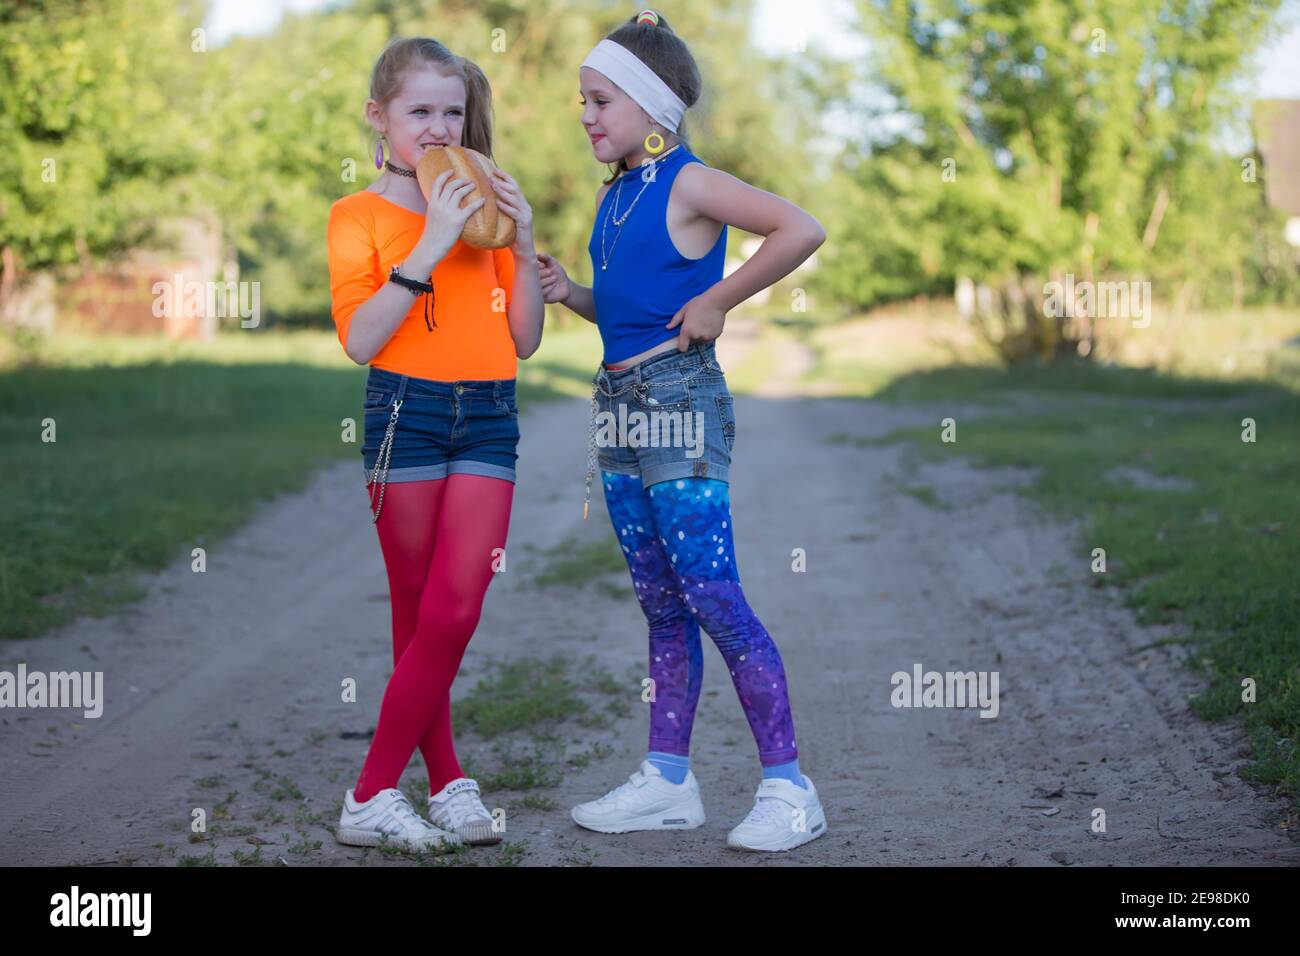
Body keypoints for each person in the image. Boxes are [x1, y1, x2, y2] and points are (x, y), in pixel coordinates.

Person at [537, 9, 829, 852]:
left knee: (713, 596)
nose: (586, 115)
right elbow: (629, 313)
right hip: (619, 404)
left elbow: (800, 227)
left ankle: (789, 786)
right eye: (582, 101)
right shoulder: (616, 195)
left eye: (600, 100)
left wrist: (720, 299)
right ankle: (668, 782)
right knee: (662, 606)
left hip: (679, 402)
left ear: (651, 105)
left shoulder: (690, 181)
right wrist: (571, 294)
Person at [326, 36, 543, 853]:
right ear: (379, 118)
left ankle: (370, 793)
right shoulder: (357, 217)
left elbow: (523, 341)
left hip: (488, 414)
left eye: (453, 111)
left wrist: (518, 248)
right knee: (419, 612)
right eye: (421, 111)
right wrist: (429, 243)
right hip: (403, 415)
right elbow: (360, 339)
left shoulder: (482, 209)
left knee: (457, 605)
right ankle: (446, 780)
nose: (440, 125)